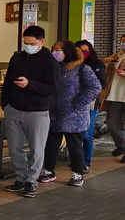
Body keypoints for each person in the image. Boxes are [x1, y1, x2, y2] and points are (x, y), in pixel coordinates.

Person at [2, 25, 61, 198]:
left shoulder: (50, 61)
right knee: (15, 147)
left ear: (42, 41)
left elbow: (53, 88)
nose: (28, 45)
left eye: (32, 43)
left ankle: (31, 181)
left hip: (37, 111)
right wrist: (6, 103)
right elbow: (7, 83)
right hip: (13, 108)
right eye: (25, 42)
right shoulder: (17, 58)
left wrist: (30, 85)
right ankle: (20, 178)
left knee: (36, 148)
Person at [38, 40, 100, 187]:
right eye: (54, 50)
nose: (55, 53)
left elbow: (95, 87)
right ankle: (49, 171)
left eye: (58, 50)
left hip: (74, 115)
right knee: (51, 144)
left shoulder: (82, 69)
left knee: (75, 145)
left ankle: (77, 174)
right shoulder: (53, 68)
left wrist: (79, 102)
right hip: (53, 113)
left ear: (68, 52)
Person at [75, 39, 106, 172]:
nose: (84, 53)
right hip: (74, 103)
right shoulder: (72, 65)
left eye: (87, 50)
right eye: (81, 51)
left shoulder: (96, 65)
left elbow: (102, 84)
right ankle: (77, 160)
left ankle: (86, 162)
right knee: (76, 134)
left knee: (87, 134)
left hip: (91, 104)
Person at [101, 34, 125, 162]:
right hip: (115, 95)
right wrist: (107, 63)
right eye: (122, 42)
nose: (123, 44)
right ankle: (121, 145)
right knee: (112, 123)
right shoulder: (116, 56)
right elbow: (105, 72)